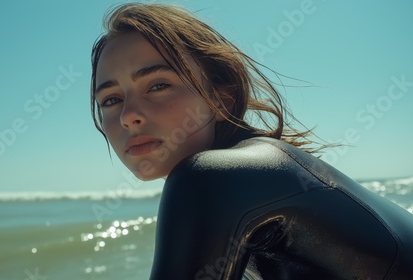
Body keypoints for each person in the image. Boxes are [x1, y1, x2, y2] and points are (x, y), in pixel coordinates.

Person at [90, 3, 413, 279]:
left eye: (158, 85)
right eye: (110, 100)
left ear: (222, 98)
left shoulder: (213, 178)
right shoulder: (262, 175)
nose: (128, 115)